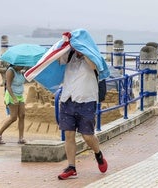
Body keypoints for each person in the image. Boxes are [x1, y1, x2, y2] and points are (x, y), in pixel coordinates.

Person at [57, 49, 108, 180]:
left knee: (88, 136)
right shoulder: (69, 55)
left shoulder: (94, 56)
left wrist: (85, 52)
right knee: (68, 134)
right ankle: (71, 167)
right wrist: (63, 47)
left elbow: (94, 66)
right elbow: (57, 60)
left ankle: (98, 154)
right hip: (67, 99)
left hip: (87, 101)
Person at [0, 65, 26, 144]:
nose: (22, 66)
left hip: (20, 95)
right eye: (21, 65)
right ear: (15, 64)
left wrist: (24, 73)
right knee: (13, 117)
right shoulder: (10, 71)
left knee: (22, 115)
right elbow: (8, 85)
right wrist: (14, 98)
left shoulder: (21, 71)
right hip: (11, 95)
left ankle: (21, 138)